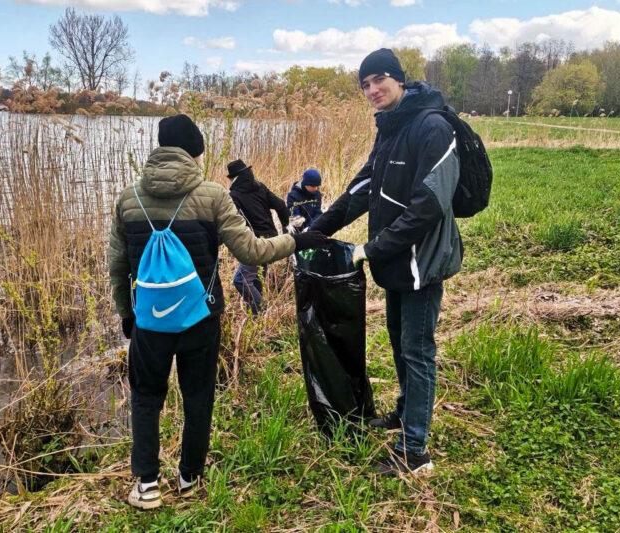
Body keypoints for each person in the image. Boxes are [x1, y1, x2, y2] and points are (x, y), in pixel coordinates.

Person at [108, 114, 328, 509]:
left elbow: (118, 266)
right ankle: (189, 478)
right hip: (201, 317)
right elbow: (252, 251)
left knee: (145, 397)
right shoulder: (212, 196)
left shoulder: (128, 198)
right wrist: (296, 241)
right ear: (195, 152)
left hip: (148, 323)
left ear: (159, 148)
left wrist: (127, 313)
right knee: (198, 396)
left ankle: (146, 485)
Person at [310, 49, 462, 476]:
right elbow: (361, 190)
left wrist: (370, 249)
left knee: (417, 351)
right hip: (396, 262)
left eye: (379, 79)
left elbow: (429, 205)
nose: (372, 90)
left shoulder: (432, 126)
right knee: (398, 338)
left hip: (421, 263)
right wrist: (316, 230)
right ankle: (404, 412)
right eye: (365, 84)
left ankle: (416, 452)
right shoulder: (390, 129)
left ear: (398, 79)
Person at [226, 159, 290, 315]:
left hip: (254, 242)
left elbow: (237, 223)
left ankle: (260, 311)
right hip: (271, 239)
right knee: (256, 278)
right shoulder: (260, 187)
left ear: (234, 178)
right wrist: (285, 229)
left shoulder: (234, 195)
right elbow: (281, 205)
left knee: (240, 280)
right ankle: (256, 317)